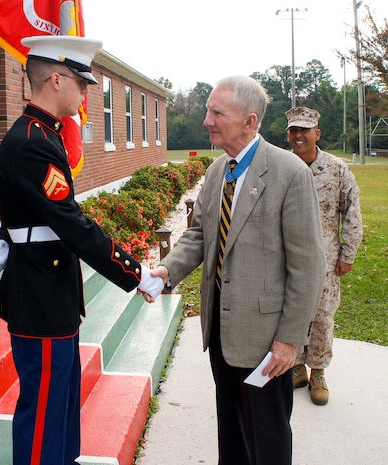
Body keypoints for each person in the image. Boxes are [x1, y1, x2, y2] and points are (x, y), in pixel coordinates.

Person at [0, 35, 164, 465]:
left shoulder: (44, 134)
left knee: (61, 399)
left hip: (53, 290)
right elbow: (74, 226)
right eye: (82, 85)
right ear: (57, 80)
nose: (85, 95)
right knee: (44, 406)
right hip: (40, 294)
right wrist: (136, 272)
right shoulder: (32, 142)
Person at [151, 76, 326, 465]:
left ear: (249, 121)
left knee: (267, 440)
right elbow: (200, 235)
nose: (207, 121)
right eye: (209, 111)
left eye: (217, 113)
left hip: (266, 343)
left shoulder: (288, 173)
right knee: (231, 437)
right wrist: (165, 271)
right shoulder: (217, 171)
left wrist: (288, 340)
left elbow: (308, 266)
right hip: (220, 333)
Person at [285, 106, 363, 405]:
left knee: (322, 316)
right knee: (288, 312)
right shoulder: (279, 165)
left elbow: (352, 212)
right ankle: (294, 366)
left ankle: (317, 370)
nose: (298, 135)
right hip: (286, 257)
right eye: (293, 130)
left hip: (325, 259)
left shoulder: (336, 169)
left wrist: (348, 254)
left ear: (317, 133)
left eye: (304, 130)